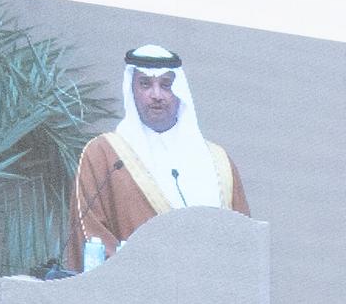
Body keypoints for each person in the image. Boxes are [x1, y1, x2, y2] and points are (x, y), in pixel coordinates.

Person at [68, 40, 249, 265]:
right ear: (132, 90)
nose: (157, 95)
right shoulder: (103, 154)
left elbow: (244, 242)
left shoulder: (217, 162)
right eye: (145, 84)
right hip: (133, 284)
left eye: (166, 85)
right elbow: (92, 238)